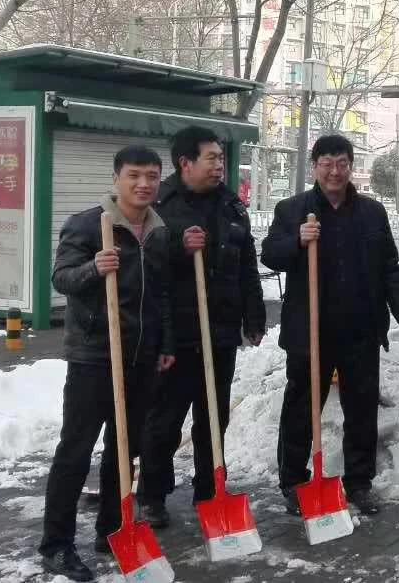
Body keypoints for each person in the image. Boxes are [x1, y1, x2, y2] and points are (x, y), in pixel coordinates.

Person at [38, 146, 176, 582]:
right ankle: (56, 544)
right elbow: (61, 278)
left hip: (141, 356)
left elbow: (163, 293)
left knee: (125, 448)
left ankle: (112, 528)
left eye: (152, 176)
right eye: (134, 175)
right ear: (116, 178)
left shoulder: (158, 230)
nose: (144, 184)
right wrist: (93, 268)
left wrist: (165, 342)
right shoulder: (87, 224)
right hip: (94, 355)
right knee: (76, 449)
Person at [262, 135, 399, 515]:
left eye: (342, 163)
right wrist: (297, 241)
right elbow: (270, 255)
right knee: (301, 408)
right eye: (327, 163)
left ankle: (359, 482)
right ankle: (294, 481)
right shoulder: (292, 209)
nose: (335, 171)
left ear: (350, 166)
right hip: (309, 330)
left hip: (360, 327)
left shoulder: (371, 213)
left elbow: (388, 266)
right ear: (315, 166)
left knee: (361, 409)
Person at [137, 127, 265, 527]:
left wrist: (254, 315)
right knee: (165, 419)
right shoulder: (159, 206)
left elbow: (246, 265)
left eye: (221, 158)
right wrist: (178, 248)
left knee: (213, 417)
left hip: (220, 328)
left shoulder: (231, 206)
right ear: (185, 163)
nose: (219, 165)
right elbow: (140, 263)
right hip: (174, 334)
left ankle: (209, 489)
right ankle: (153, 494)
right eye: (211, 158)